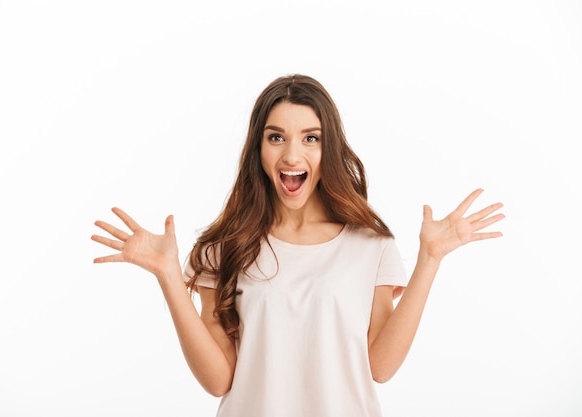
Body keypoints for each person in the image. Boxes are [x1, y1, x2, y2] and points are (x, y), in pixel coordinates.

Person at [91, 74, 505, 417]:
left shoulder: (370, 245)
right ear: (258, 148)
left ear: (330, 148)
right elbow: (218, 380)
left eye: (311, 138)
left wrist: (429, 260)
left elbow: (380, 366)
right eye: (276, 137)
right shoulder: (223, 248)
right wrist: (168, 276)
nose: (292, 154)